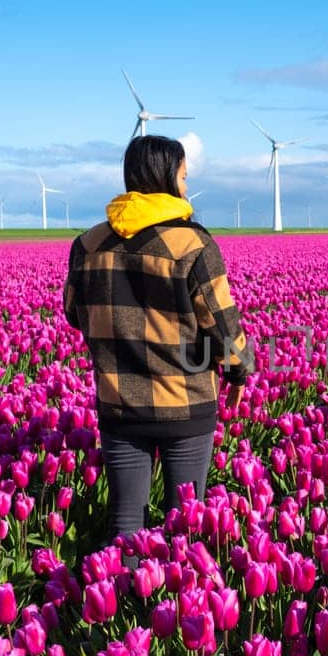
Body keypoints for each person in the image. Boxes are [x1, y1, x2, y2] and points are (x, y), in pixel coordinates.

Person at [62, 134, 254, 546]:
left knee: (125, 522)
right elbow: (224, 328)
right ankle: (175, 607)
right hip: (185, 404)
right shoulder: (193, 243)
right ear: (168, 177)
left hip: (120, 404)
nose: (186, 186)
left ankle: (120, 597)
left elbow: (74, 314)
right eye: (184, 176)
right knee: (184, 523)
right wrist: (238, 374)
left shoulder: (88, 244)